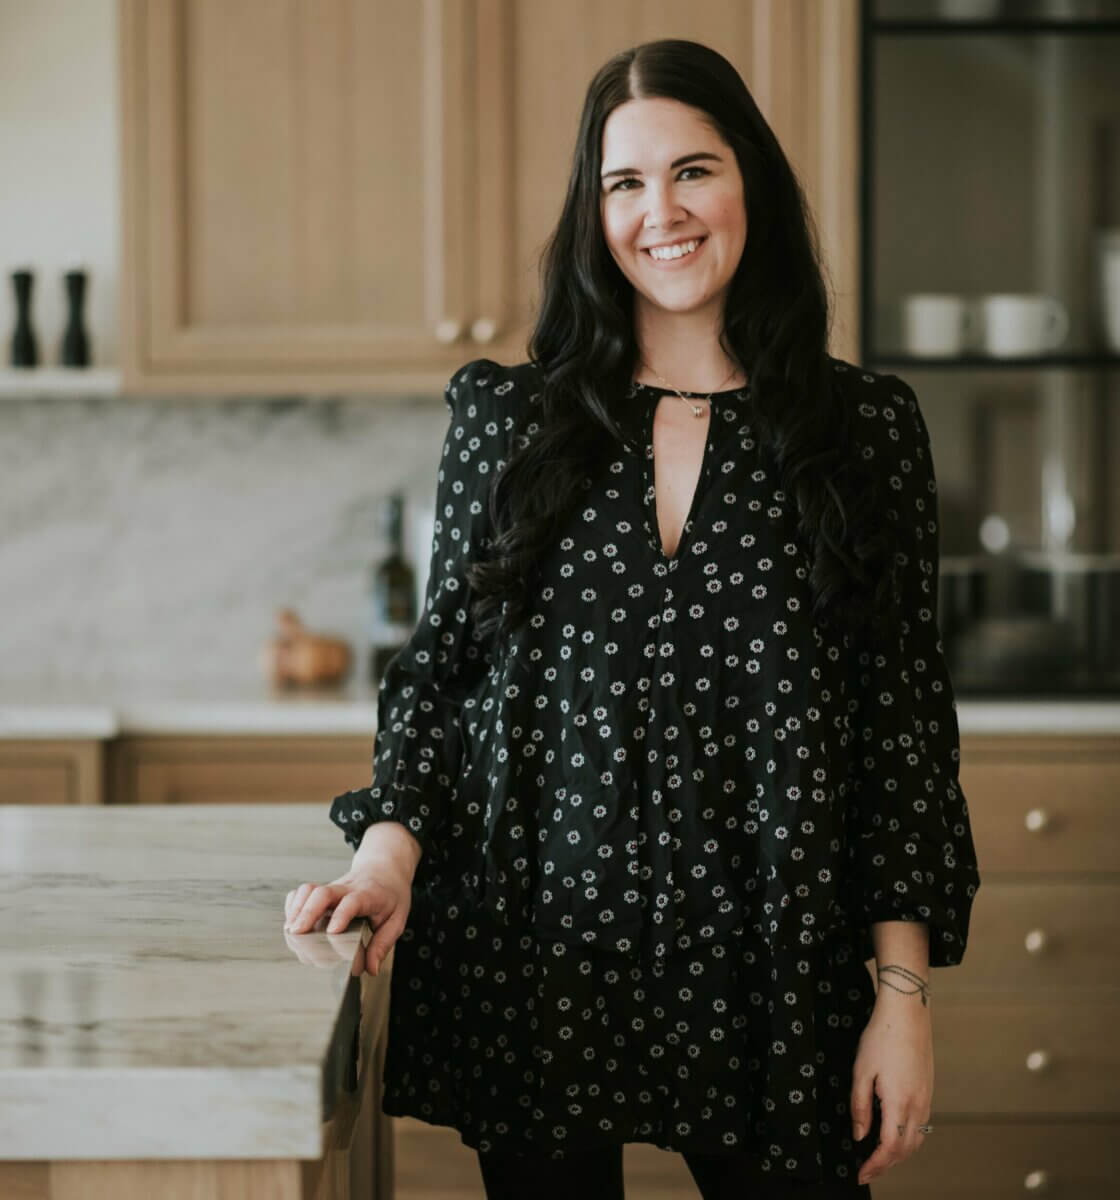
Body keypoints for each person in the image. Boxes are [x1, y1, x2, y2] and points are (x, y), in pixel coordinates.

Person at [283, 38, 980, 1200]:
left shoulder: (863, 430)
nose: (662, 211)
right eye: (625, 183)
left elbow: (900, 730)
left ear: (750, 180)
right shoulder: (509, 420)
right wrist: (386, 854)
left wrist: (901, 1001)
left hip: (774, 965)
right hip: (540, 954)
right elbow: (446, 672)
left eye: (693, 170)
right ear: (593, 209)